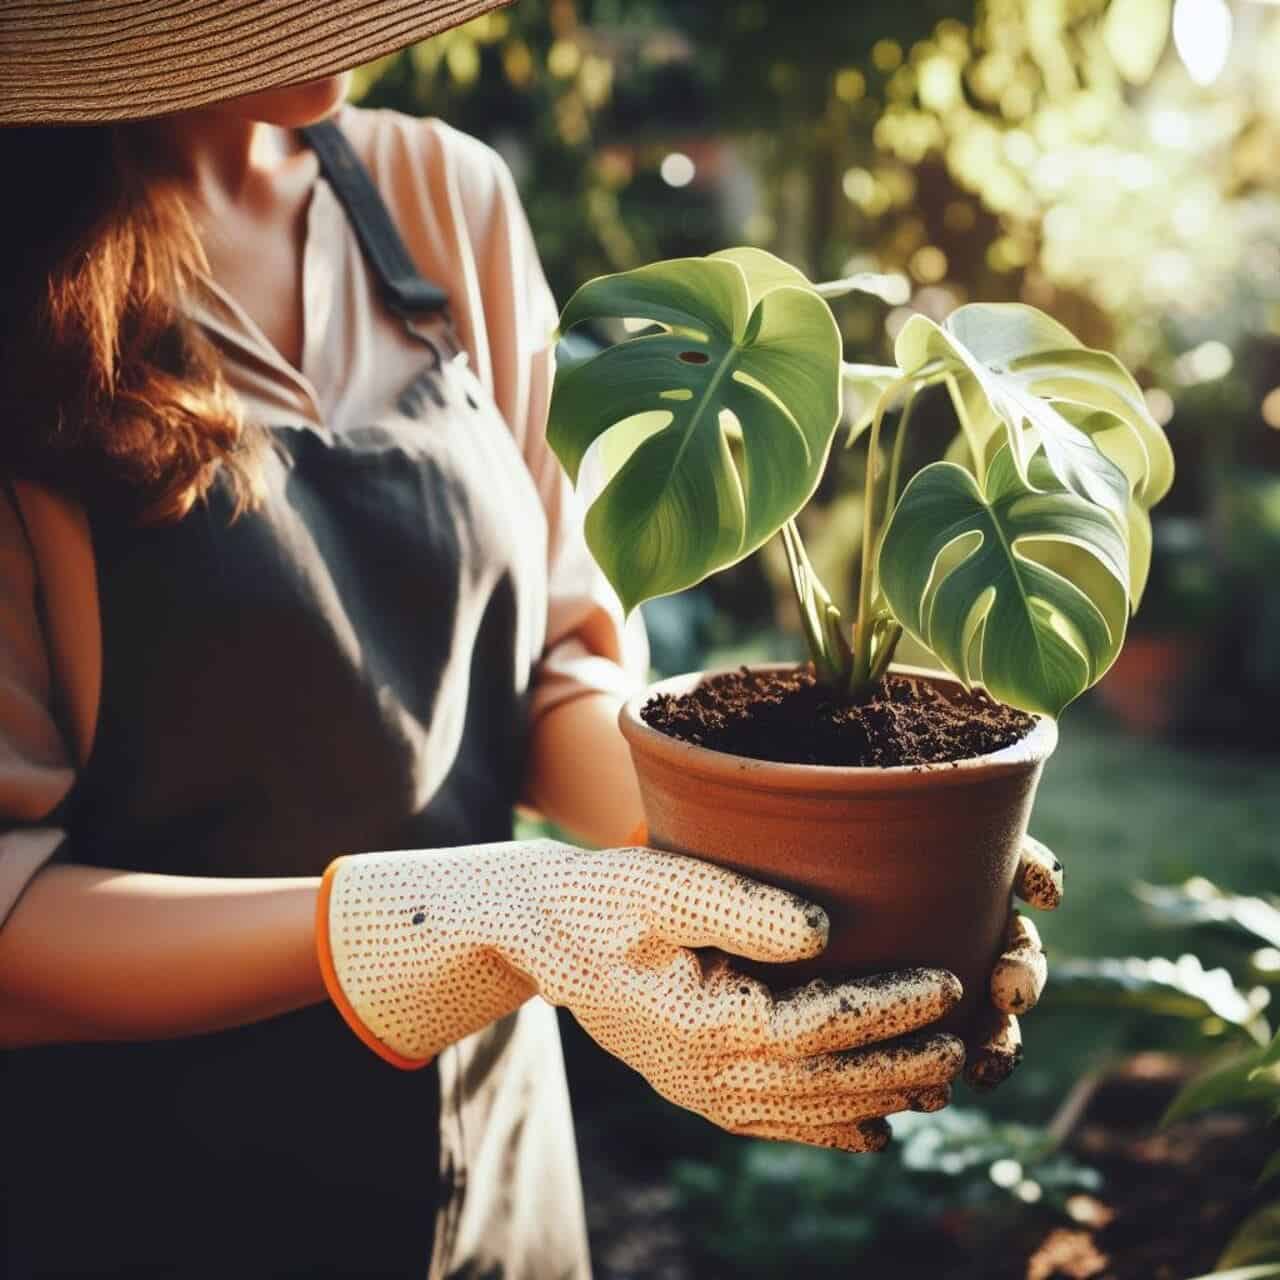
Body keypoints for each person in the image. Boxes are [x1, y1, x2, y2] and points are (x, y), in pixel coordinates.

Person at [0, 3, 1063, 1276]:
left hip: (495, 1164)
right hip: (143, 1195)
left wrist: (798, 865)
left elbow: (561, 663)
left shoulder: (439, 193)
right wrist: (467, 919)